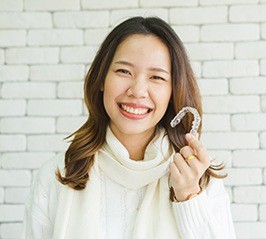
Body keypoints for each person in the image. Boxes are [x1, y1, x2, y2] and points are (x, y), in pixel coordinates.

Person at [21, 16, 236, 239]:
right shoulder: (57, 175)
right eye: (124, 72)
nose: (138, 90)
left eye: (156, 77)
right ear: (101, 79)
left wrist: (189, 197)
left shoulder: (201, 180)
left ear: (173, 91)